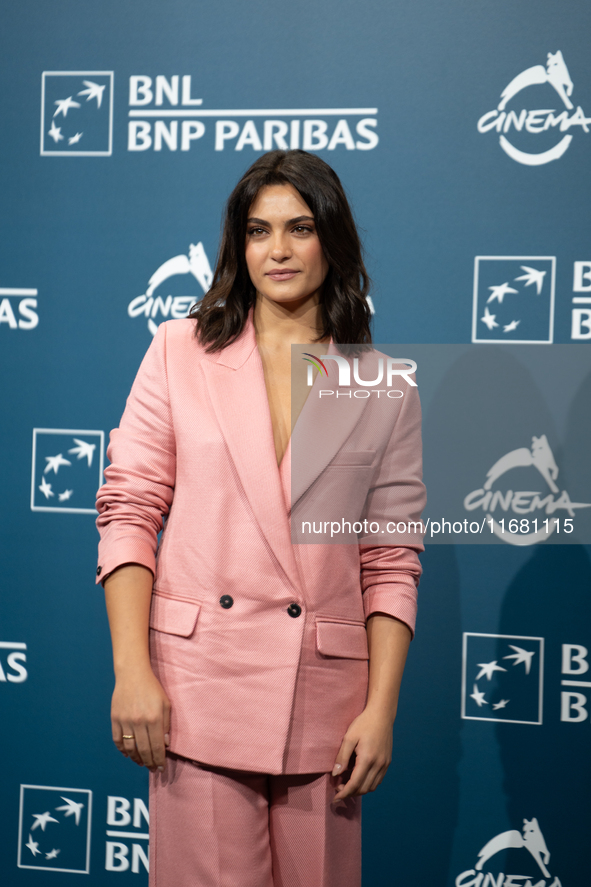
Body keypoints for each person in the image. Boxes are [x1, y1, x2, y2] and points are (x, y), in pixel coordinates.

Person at [95, 149, 425, 887]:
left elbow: (390, 559)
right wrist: (131, 670)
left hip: (327, 710)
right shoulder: (178, 350)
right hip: (198, 691)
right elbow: (127, 510)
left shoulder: (382, 386)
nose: (276, 250)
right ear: (236, 246)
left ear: (330, 240)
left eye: (298, 228)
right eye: (256, 230)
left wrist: (381, 709)